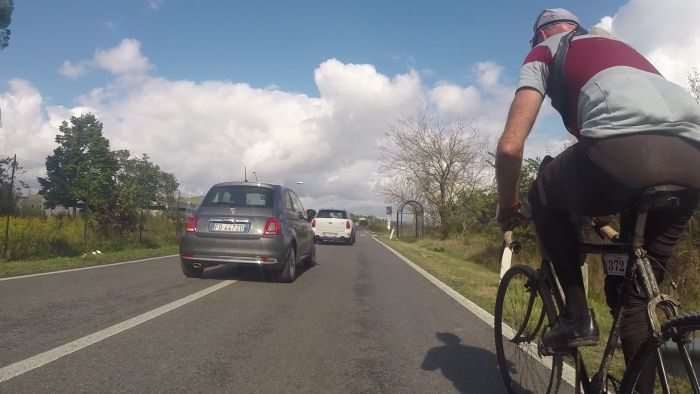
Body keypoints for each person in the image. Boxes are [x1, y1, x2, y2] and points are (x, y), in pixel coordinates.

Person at [495, 7, 700, 390]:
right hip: (693, 161)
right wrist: (604, 224)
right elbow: (605, 177)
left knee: (543, 192)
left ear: (538, 36)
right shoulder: (624, 51)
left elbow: (509, 148)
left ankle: (576, 317)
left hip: (624, 152)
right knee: (636, 301)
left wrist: (507, 207)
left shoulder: (545, 51)